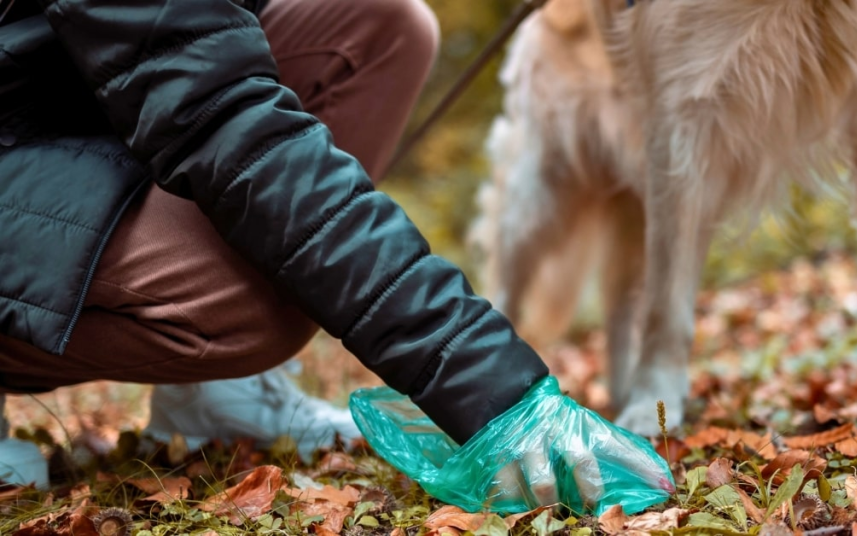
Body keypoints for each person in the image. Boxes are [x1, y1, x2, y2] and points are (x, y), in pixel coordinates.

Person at [0, 0, 669, 508]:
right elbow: (225, 120)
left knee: (386, 24)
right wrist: (492, 388)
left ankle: (214, 400)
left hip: (55, 89)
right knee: (249, 307)